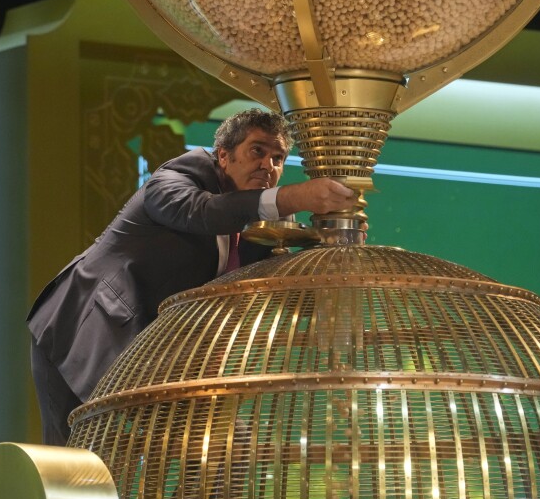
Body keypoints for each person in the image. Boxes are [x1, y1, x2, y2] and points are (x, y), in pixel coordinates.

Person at [27, 108, 357, 445]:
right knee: (75, 465)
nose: (268, 166)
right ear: (223, 156)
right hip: (83, 330)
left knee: (234, 444)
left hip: (153, 357)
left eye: (278, 158)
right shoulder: (173, 180)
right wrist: (295, 197)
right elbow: (205, 212)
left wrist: (337, 241)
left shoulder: (255, 227)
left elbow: (286, 290)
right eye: (257, 151)